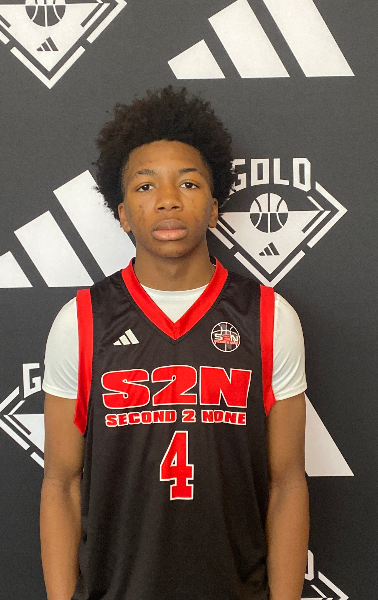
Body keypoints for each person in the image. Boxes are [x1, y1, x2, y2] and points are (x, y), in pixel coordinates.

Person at [40, 86, 309, 600]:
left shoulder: (270, 317)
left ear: (214, 208)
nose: (168, 199)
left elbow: (287, 483)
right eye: (146, 186)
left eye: (188, 182)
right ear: (122, 213)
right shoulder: (82, 320)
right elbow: (61, 483)